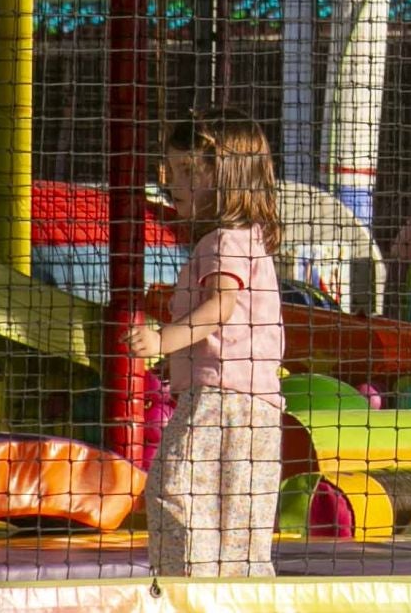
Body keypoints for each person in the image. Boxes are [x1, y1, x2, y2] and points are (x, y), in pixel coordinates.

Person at [127, 109, 285, 578]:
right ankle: (243, 598)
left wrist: (162, 339)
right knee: (240, 525)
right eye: (171, 171)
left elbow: (220, 307)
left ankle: (188, 593)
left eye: (186, 172)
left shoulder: (221, 240)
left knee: (173, 491)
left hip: (219, 400)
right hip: (259, 408)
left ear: (225, 175)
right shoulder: (248, 238)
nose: (172, 184)